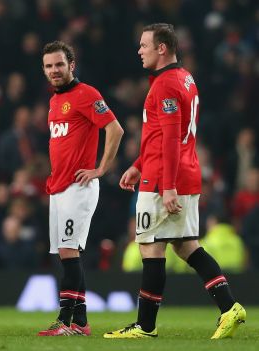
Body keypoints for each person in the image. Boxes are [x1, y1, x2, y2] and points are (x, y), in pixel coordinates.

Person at [104, 23, 246, 339]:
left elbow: (170, 138)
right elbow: (169, 134)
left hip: (164, 178)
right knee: (185, 246)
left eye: (144, 45)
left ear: (162, 48)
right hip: (181, 172)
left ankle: (145, 326)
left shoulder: (166, 85)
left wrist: (166, 185)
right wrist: (139, 163)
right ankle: (229, 307)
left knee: (149, 247)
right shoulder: (186, 78)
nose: (139, 51)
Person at [37, 41, 124, 336]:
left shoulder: (87, 95)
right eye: (49, 66)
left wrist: (102, 168)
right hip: (59, 188)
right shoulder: (53, 101)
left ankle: (65, 320)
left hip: (78, 186)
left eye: (59, 64)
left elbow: (115, 128)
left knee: (68, 250)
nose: (54, 70)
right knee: (66, 254)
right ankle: (81, 322)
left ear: (71, 65)